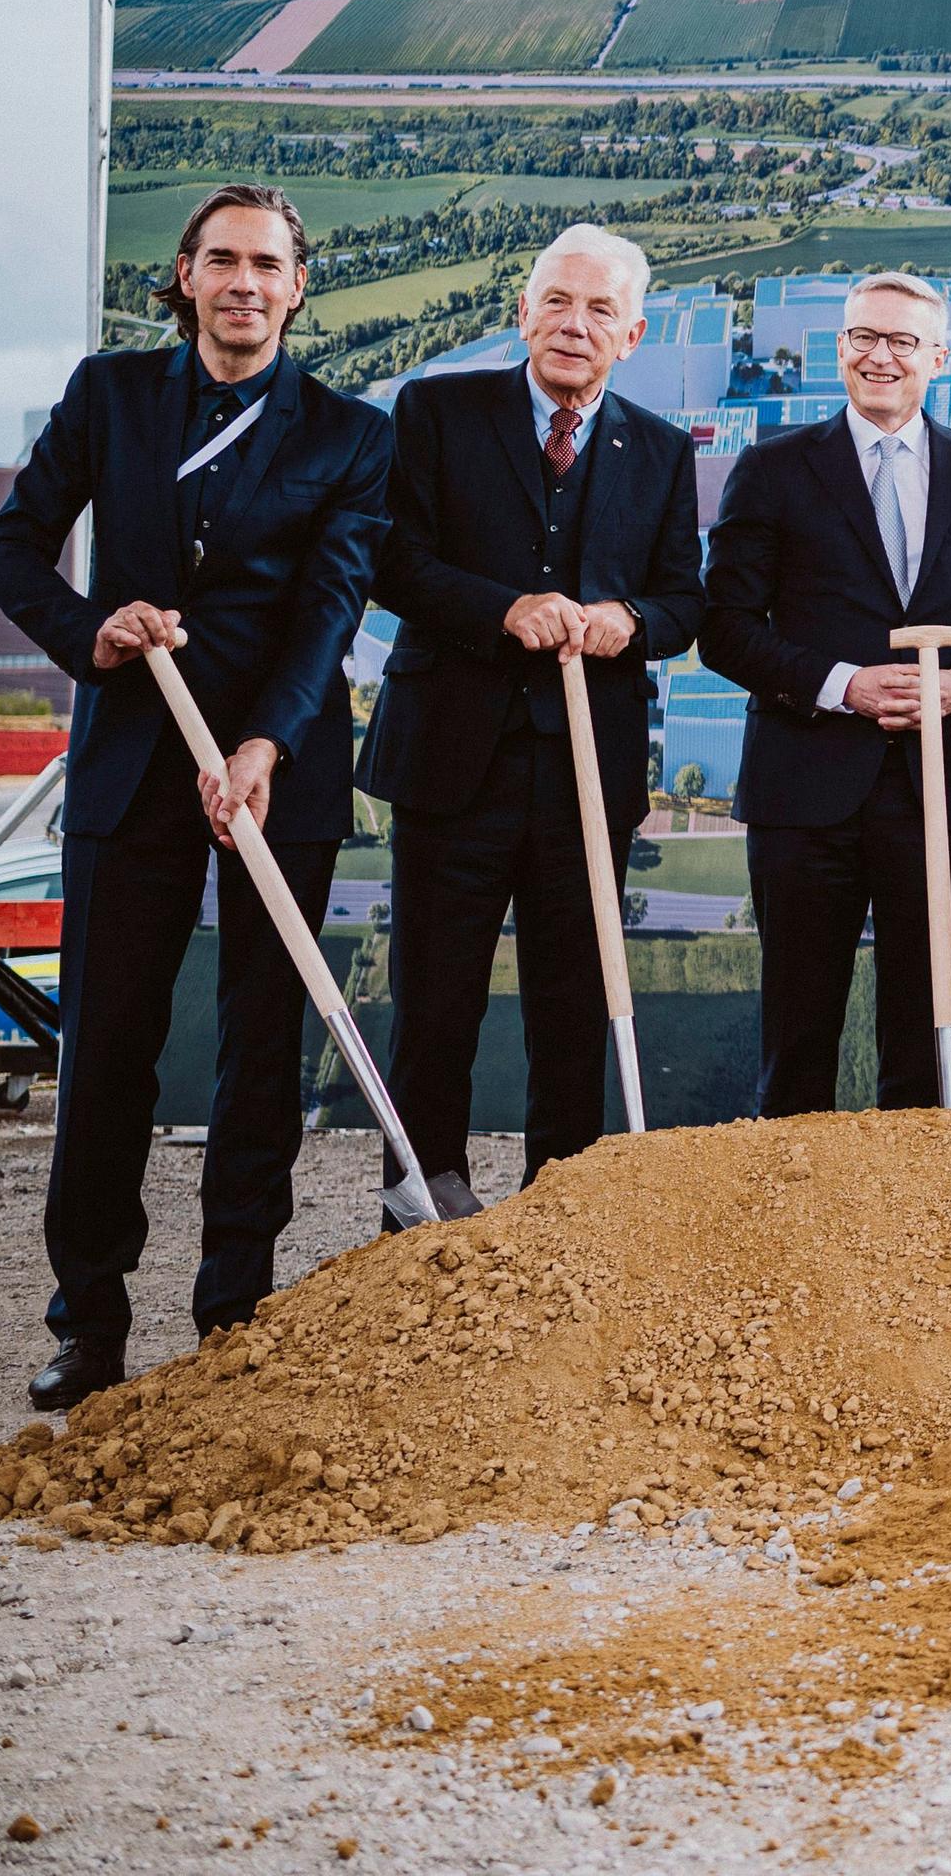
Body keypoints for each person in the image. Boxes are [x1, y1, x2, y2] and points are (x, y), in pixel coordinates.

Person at [0, 183, 393, 1409]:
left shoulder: (349, 433)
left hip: (276, 769)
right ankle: (88, 1321)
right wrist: (91, 631)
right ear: (187, 275)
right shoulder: (111, 396)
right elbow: (11, 546)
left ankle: (234, 1313)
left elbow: (332, 606)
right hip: (131, 758)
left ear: (298, 285)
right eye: (223, 261)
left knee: (263, 1044)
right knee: (109, 1045)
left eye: (268, 263)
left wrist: (265, 742)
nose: (245, 282)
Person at [360, 226, 705, 1220]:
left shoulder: (662, 450)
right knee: (435, 1004)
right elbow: (392, 561)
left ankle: (564, 1207)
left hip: (586, 779)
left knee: (574, 1007)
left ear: (632, 334)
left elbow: (685, 601)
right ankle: (420, 1205)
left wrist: (628, 619)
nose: (574, 324)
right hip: (448, 763)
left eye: (600, 310)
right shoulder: (435, 410)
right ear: (524, 311)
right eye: (558, 300)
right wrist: (500, 608)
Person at [701, 271, 951, 1115]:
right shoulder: (772, 469)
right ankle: (793, 1222)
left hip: (938, 791)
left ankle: (913, 1220)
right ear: (840, 348)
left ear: (939, 356)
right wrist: (841, 685)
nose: (880, 357)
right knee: (798, 1031)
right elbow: (726, 627)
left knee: (925, 1035)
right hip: (804, 791)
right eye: (863, 339)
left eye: (902, 341)